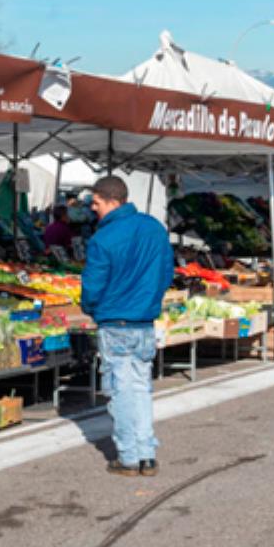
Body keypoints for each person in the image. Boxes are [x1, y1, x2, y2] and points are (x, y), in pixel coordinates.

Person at [81, 176, 174, 478]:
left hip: (115, 323)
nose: (92, 208)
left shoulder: (103, 239)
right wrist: (150, 301)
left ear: (112, 201)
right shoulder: (154, 228)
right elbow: (166, 273)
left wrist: (92, 308)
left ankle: (129, 456)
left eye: (96, 202)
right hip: (144, 322)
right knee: (141, 388)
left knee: (121, 392)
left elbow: (93, 286)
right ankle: (147, 454)